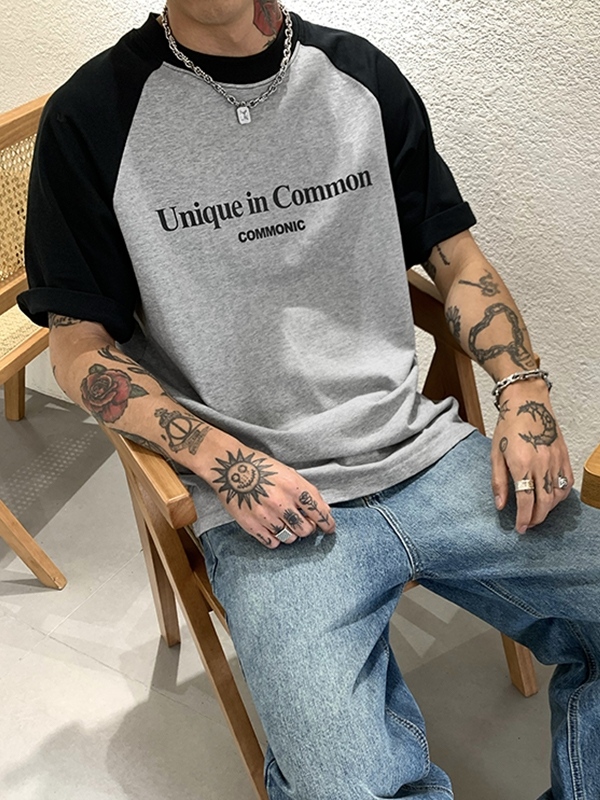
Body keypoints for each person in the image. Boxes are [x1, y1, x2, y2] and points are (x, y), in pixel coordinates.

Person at [18, 1, 600, 798]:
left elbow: (457, 261)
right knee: (341, 786)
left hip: (422, 450)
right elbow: (78, 348)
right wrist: (226, 464)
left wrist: (523, 390)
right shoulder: (91, 114)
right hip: (265, 503)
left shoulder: (359, 76)